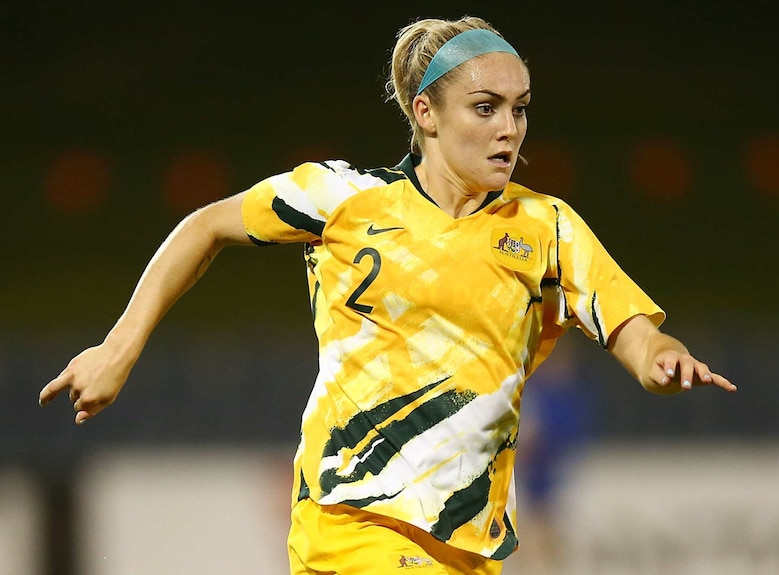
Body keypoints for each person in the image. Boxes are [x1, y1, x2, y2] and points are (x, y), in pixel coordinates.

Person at [38, 15, 736, 575]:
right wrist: (119, 346)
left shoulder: (545, 227)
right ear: (426, 112)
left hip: (465, 547)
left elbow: (633, 329)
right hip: (356, 520)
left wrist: (664, 361)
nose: (509, 129)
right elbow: (207, 224)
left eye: (519, 109)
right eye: (485, 107)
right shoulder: (344, 199)